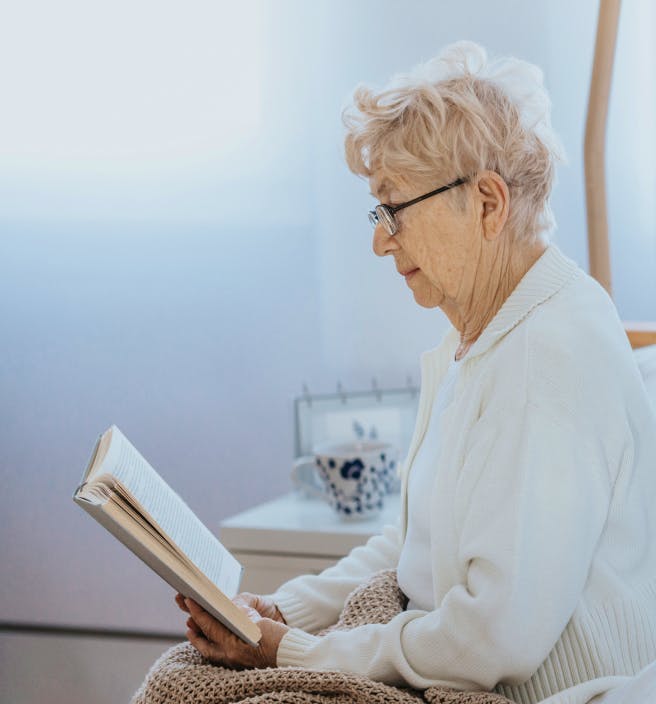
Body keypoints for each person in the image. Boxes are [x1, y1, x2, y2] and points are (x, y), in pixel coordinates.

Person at [175, 42, 656, 704]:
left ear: (488, 203)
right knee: (190, 674)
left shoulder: (548, 358)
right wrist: (288, 613)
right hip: (464, 669)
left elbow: (493, 639)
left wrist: (290, 652)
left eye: (394, 207)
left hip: (538, 692)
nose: (381, 239)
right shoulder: (485, 337)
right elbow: (413, 547)